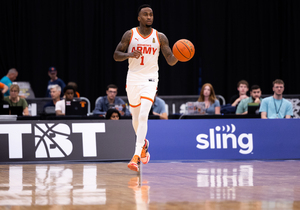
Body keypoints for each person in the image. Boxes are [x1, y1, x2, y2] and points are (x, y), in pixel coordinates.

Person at [113, 4, 178, 171]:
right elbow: (116, 55)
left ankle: (135, 156)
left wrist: (179, 54)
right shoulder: (130, 34)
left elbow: (170, 60)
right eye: (145, 14)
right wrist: (128, 54)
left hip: (150, 79)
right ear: (139, 18)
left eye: (151, 14)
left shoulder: (160, 37)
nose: (149, 17)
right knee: (135, 118)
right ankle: (143, 145)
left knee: (143, 116)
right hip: (133, 78)